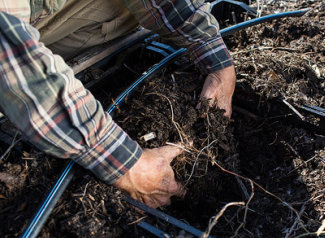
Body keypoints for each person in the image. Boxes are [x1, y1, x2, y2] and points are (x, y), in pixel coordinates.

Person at [0, 0, 236, 208]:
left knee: (127, 10)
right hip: (8, 43)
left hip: (32, 18)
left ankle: (51, 59)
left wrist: (216, 59)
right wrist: (126, 164)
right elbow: (13, 65)